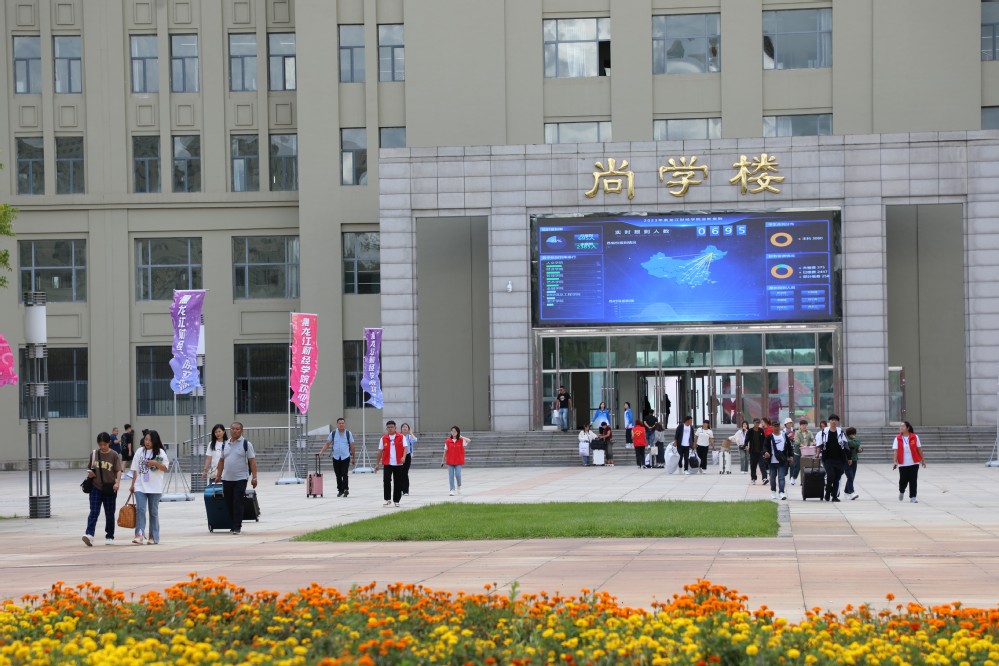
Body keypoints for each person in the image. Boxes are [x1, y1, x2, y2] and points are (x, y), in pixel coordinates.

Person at [216, 422, 258, 534]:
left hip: (241, 478)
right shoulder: (225, 444)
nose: (234, 431)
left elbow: (252, 461)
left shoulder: (246, 444)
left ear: (241, 430)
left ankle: (237, 526)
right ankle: (233, 523)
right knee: (228, 502)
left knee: (237, 501)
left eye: (237, 429)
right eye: (233, 429)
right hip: (227, 478)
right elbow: (221, 461)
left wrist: (254, 477)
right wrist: (218, 475)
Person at [129, 429, 169, 545]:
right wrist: (132, 485)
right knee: (140, 509)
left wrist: (155, 463)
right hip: (140, 486)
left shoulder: (160, 452)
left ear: (155, 441)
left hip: (155, 487)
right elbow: (135, 470)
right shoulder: (139, 452)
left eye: (150, 440)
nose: (147, 442)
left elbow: (165, 468)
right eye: (146, 439)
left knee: (153, 512)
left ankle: (153, 536)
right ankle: (139, 534)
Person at [82, 432, 122, 546]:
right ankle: (89, 534)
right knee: (94, 511)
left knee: (109, 513)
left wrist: (117, 483)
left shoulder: (114, 455)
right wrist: (90, 474)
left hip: (110, 487)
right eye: (100, 444)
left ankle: (109, 535)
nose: (103, 447)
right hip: (96, 487)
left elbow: (118, 470)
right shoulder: (94, 454)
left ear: (109, 443)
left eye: (105, 444)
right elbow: (90, 468)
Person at [319, 418, 356, 498]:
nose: (341, 424)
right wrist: (321, 452)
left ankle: (345, 489)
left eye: (343, 423)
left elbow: (352, 445)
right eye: (340, 423)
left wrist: (353, 457)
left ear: (344, 424)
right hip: (336, 457)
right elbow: (327, 444)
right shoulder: (333, 433)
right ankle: (340, 490)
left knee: (344, 473)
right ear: (337, 424)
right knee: (338, 475)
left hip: (345, 457)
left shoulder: (348, 433)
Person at [817, 414, 849, 502]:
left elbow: (846, 445)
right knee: (831, 475)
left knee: (837, 478)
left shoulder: (840, 432)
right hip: (827, 458)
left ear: (837, 422)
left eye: (835, 420)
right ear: (829, 421)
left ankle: (834, 496)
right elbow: (819, 445)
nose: (834, 421)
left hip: (839, 459)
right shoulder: (824, 432)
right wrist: (817, 454)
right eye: (832, 420)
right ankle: (828, 492)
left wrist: (849, 458)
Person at [893, 421, 926, 503]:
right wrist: (895, 462)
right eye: (900, 426)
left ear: (907, 428)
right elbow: (896, 451)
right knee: (903, 480)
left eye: (903, 426)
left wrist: (922, 460)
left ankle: (913, 497)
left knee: (913, 480)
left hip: (914, 462)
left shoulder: (915, 437)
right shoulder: (897, 438)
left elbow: (919, 449)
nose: (901, 428)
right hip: (903, 463)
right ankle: (901, 491)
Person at [375, 420, 406, 506]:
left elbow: (405, 448)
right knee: (386, 480)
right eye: (388, 427)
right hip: (387, 463)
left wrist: (403, 457)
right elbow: (380, 451)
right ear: (386, 428)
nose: (390, 429)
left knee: (398, 482)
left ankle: (396, 500)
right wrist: (377, 464)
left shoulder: (401, 437)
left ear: (395, 428)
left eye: (392, 427)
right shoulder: (383, 438)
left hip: (398, 463)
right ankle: (387, 499)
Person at [763, 418, 790, 500]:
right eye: (775, 426)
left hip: (782, 460)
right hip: (772, 461)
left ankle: (781, 492)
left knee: (781, 477)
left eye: (778, 426)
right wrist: (766, 452)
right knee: (772, 477)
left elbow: (789, 446)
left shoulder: (784, 435)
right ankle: (773, 491)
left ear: (779, 426)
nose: (776, 427)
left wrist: (791, 456)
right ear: (772, 427)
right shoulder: (769, 437)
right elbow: (764, 446)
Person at [441, 426, 471, 495]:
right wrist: (443, 460)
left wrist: (461, 437)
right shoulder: (448, 441)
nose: (453, 433)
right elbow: (445, 451)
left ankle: (459, 486)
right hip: (450, 461)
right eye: (452, 431)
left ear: (457, 432)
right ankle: (452, 489)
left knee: (458, 474)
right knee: (451, 476)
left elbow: (469, 440)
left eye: (455, 431)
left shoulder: (461, 440)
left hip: (458, 461)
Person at [791, 419, 814, 486]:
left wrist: (814, 441)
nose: (804, 426)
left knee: (807, 466)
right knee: (797, 466)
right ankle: (793, 478)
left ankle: (804, 480)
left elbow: (812, 438)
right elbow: (797, 441)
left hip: (807, 452)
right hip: (798, 452)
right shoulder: (797, 432)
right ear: (800, 426)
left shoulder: (809, 432)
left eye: (805, 425)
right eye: (802, 425)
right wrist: (801, 445)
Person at [744, 418, 767, 484]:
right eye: (756, 422)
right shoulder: (750, 431)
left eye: (758, 423)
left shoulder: (761, 430)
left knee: (762, 465)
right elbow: (746, 439)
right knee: (753, 466)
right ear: (753, 423)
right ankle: (753, 478)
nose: (757, 424)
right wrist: (746, 445)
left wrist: (765, 449)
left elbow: (764, 440)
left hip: (760, 451)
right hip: (753, 451)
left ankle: (764, 478)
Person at [844, 426, 862, 500]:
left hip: (854, 460)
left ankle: (846, 492)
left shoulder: (854, 440)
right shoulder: (846, 440)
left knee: (852, 477)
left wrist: (860, 449)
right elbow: (854, 443)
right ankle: (852, 492)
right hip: (847, 461)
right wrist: (857, 443)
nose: (854, 435)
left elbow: (858, 445)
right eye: (853, 434)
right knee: (850, 476)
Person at [399, 423, 417, 495]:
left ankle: (405, 491)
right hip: (400, 456)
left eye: (406, 427)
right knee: (399, 473)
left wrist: (411, 433)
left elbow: (415, 440)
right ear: (401, 429)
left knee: (405, 473)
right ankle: (400, 489)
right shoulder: (399, 436)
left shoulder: (409, 437)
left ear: (408, 429)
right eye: (403, 427)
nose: (405, 428)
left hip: (407, 456)